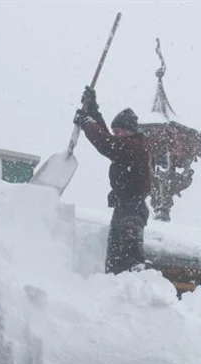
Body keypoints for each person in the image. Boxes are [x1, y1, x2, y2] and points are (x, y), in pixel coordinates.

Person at [74, 86, 152, 274]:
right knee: (115, 262)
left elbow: (106, 143)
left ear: (129, 131)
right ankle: (116, 288)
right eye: (115, 131)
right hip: (124, 207)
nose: (116, 135)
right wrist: (93, 110)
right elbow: (107, 138)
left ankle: (138, 288)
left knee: (130, 256)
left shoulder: (135, 147)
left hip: (132, 209)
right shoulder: (127, 146)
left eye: (119, 131)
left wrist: (87, 123)